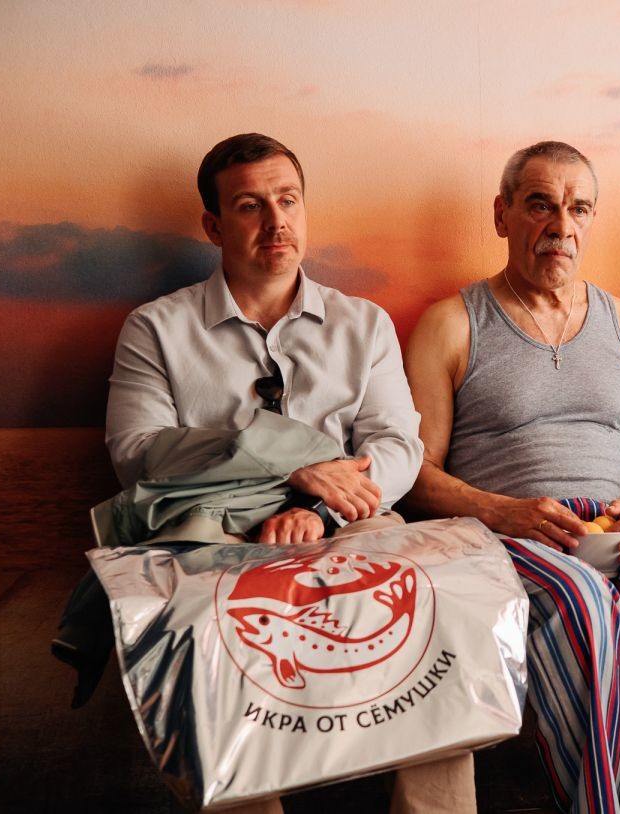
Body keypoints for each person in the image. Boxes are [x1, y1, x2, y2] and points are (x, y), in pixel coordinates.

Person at [101, 133, 474, 814]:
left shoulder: (364, 324)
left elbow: (397, 446)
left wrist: (321, 510)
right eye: (251, 206)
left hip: (350, 524)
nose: (276, 221)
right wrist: (289, 462)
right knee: (202, 632)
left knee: (432, 609)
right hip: (213, 532)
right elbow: (137, 451)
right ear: (214, 226)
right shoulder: (156, 328)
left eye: (288, 200)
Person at [402, 141, 620, 814]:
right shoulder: (450, 323)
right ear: (502, 214)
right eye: (540, 205)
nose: (561, 225)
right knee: (583, 604)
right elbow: (415, 475)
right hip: (507, 534)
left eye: (579, 209)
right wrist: (503, 511)